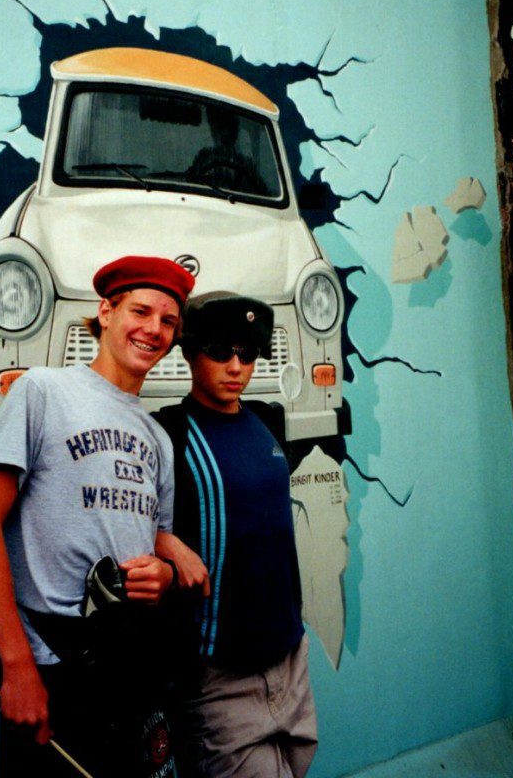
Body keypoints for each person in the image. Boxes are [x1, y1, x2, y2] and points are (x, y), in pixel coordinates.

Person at [0, 255, 200, 778]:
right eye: (141, 311)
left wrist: (163, 571)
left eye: (168, 322)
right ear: (106, 312)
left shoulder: (158, 438)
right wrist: (18, 665)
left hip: (126, 669)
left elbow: (147, 530)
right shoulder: (42, 391)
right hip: (49, 665)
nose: (154, 329)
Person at [154, 291, 318, 778]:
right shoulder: (169, 433)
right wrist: (165, 542)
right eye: (221, 351)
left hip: (289, 657)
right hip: (221, 672)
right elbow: (126, 518)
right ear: (189, 352)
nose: (236, 366)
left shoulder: (267, 422)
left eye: (248, 354)